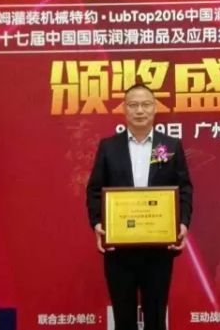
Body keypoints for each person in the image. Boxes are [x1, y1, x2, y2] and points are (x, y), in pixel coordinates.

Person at [86, 83, 193, 330]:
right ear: (124, 109)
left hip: (158, 249)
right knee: (124, 319)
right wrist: (98, 223)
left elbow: (185, 189)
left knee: (156, 318)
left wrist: (183, 224)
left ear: (155, 108)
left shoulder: (171, 146)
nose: (140, 110)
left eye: (146, 104)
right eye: (133, 105)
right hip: (119, 250)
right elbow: (94, 190)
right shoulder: (109, 147)